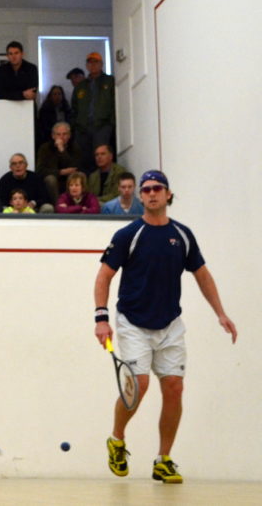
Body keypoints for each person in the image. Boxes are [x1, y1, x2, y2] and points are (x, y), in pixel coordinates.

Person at [94, 170, 237, 484]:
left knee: (174, 389)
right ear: (141, 196)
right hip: (132, 322)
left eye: (157, 188)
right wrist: (101, 318)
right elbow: (104, 276)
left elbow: (202, 274)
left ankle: (164, 459)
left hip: (170, 325)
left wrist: (220, 313)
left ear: (168, 194)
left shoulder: (182, 235)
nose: (152, 193)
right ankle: (117, 440)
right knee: (139, 386)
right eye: (146, 190)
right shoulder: (128, 235)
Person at [72, 52, 116, 170]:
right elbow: (74, 108)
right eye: (90, 62)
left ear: (101, 64)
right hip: (83, 128)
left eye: (96, 62)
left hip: (102, 126)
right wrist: (77, 125)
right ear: (86, 66)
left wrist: (111, 123)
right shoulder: (81, 86)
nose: (93, 65)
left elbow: (115, 103)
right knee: (85, 160)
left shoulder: (110, 81)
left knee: (101, 157)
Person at [36, 121, 82, 203]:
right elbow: (40, 170)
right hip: (52, 182)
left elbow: (75, 167)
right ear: (53, 136)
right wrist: (60, 172)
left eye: (64, 134)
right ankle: (59, 205)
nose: (61, 137)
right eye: (58, 134)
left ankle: (74, 204)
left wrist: (62, 151)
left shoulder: (75, 148)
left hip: (69, 181)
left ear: (69, 136)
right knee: (51, 179)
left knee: (76, 177)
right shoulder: (45, 148)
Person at [36, 85, 71, 152]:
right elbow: (43, 127)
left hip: (66, 140)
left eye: (59, 94)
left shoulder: (67, 109)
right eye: (54, 94)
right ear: (50, 96)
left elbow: (70, 124)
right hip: (49, 139)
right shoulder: (45, 110)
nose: (57, 96)